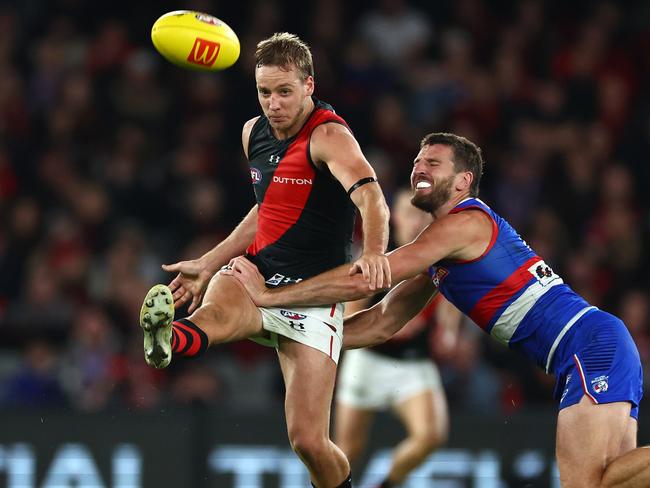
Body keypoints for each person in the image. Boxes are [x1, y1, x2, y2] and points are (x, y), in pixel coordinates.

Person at [227, 132, 647, 487]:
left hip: (589, 346)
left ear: (464, 181)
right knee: (612, 481)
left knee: (588, 483)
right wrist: (284, 332)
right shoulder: (441, 254)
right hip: (593, 346)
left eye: (433, 162)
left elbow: (368, 277)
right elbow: (380, 322)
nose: (419, 168)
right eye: (417, 161)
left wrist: (271, 298)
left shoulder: (462, 225)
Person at [139, 32, 391, 488]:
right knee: (216, 312)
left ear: (309, 86)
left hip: (313, 297)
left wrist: (374, 251)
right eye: (264, 92)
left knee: (309, 443)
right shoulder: (251, 133)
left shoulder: (330, 136)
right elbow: (267, 208)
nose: (272, 103)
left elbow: (372, 200)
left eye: (284, 91)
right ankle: (170, 339)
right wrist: (209, 261)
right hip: (256, 274)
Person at [334, 189, 461, 488]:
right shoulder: (375, 256)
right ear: (394, 218)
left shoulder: (440, 254)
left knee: (431, 436)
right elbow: (349, 320)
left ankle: (388, 484)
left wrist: (449, 332)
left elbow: (450, 302)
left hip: (413, 365)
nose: (414, 222)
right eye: (407, 213)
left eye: (421, 215)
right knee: (346, 452)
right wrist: (391, 325)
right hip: (367, 361)